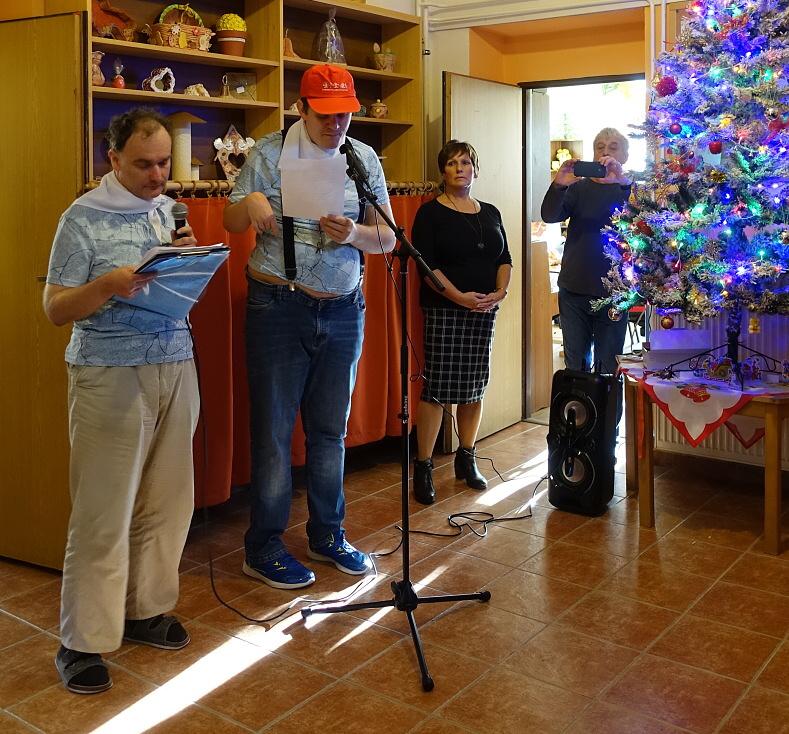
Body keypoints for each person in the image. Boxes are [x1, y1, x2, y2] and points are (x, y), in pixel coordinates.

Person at [44, 107, 200, 695]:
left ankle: (145, 610)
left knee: (168, 502)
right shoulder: (81, 218)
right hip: (109, 373)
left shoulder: (167, 210)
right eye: (143, 164)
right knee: (103, 512)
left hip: (175, 364)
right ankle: (82, 641)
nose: (158, 175)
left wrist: (190, 260)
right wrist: (108, 284)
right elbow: (55, 308)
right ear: (112, 159)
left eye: (163, 163)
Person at [224, 63, 396, 589]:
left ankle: (328, 534)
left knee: (329, 431)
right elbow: (231, 222)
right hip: (278, 303)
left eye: (344, 114)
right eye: (325, 115)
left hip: (344, 308)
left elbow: (387, 239)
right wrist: (250, 201)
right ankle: (263, 546)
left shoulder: (361, 157)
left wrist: (354, 235)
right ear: (301, 108)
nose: (336, 124)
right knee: (274, 432)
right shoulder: (268, 153)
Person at [410, 140, 512, 505]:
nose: (460, 169)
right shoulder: (429, 213)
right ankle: (423, 466)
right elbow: (427, 267)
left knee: (475, 385)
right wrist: (459, 297)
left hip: (483, 310)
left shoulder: (491, 212)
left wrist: (499, 292)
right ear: (443, 173)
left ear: (475, 170)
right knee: (437, 388)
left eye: (466, 162)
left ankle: (466, 458)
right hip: (445, 309)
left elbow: (504, 257)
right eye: (452, 163)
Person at [541, 127, 633, 374]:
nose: (605, 152)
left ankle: (608, 403)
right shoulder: (577, 187)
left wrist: (623, 182)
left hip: (615, 293)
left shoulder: (630, 189)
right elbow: (549, 215)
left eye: (613, 147)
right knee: (575, 367)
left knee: (608, 368)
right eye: (599, 147)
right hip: (574, 290)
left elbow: (640, 219)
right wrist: (559, 185)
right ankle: (579, 403)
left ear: (624, 156)